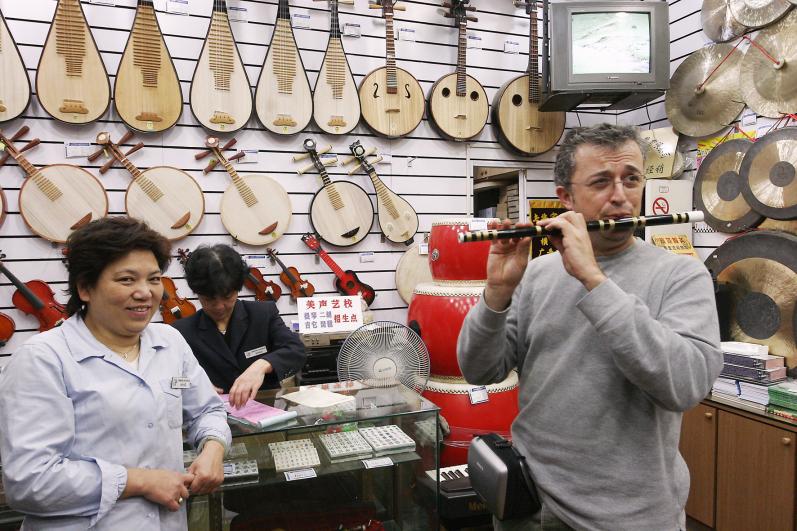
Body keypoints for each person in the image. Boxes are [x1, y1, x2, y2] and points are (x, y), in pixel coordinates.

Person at [457, 124, 722, 531]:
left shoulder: (681, 275)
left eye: (631, 179)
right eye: (601, 182)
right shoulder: (539, 273)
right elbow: (479, 370)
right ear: (566, 197)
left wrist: (593, 280)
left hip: (629, 515)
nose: (620, 196)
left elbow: (686, 386)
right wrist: (496, 293)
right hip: (530, 503)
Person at [0, 217, 231, 530]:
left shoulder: (170, 342)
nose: (145, 292)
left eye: (153, 279)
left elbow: (206, 410)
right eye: (126, 280)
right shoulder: (43, 358)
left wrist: (214, 447)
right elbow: (30, 482)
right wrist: (138, 481)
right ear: (85, 288)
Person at [173, 244, 306, 409]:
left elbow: (296, 350)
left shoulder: (262, 313)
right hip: (209, 416)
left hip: (264, 414)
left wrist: (262, 365)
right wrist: (194, 384)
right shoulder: (181, 331)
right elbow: (173, 381)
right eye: (209, 299)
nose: (219, 306)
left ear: (238, 289)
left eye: (227, 297)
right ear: (196, 293)